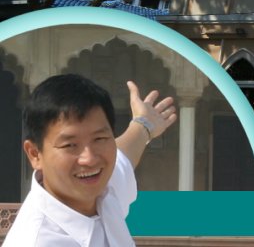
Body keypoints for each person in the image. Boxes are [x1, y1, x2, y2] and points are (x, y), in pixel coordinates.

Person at [6, 74, 178, 246]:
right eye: (70, 145)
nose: (89, 159)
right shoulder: (36, 240)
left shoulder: (104, 189)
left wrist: (144, 124)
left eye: (99, 139)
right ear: (35, 154)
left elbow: (125, 153)